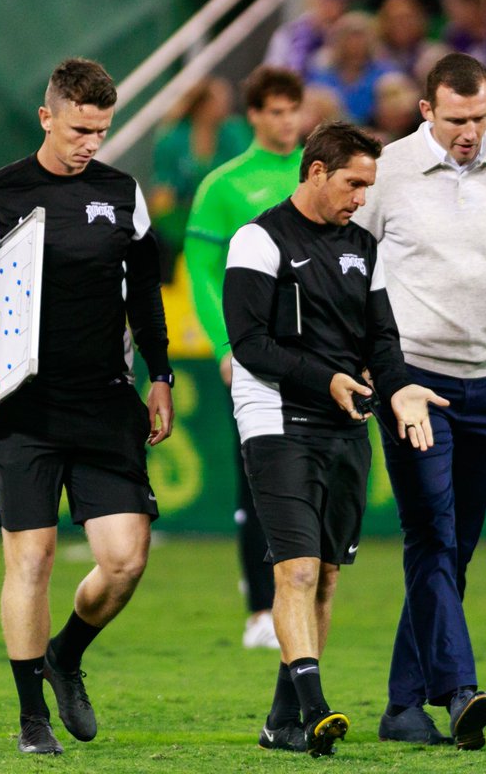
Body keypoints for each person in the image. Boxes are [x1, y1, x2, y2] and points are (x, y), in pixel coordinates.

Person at [0, 57, 174, 756]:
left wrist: (159, 376)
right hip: (23, 411)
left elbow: (144, 293)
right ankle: (31, 717)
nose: (90, 144)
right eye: (78, 130)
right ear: (47, 117)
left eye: (100, 131)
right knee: (31, 560)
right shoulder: (0, 193)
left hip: (104, 405)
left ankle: (66, 654)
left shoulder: (122, 193)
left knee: (125, 561)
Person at [223, 121, 448, 757]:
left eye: (369, 187)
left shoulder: (363, 247)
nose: (361, 198)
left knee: (323, 577)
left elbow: (382, 339)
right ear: (316, 171)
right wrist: (328, 379)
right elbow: (249, 346)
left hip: (345, 421)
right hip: (277, 418)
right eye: (354, 183)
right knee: (294, 568)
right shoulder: (258, 240)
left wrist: (399, 387)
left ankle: (280, 723)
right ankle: (317, 710)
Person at [353, 52, 486, 750]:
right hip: (414, 384)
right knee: (432, 533)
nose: (471, 131)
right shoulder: (387, 170)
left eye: (481, 116)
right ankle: (460, 688)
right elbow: (359, 272)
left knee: (455, 544)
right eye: (457, 119)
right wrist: (382, 370)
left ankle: (403, 707)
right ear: (426, 112)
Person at [184, 65, 305, 651]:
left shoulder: (320, 173)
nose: (287, 121)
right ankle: (260, 608)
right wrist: (226, 344)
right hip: (256, 352)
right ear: (254, 116)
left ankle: (300, 595)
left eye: (293, 109)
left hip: (315, 353)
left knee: (313, 481)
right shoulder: (225, 185)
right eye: (275, 111)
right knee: (257, 478)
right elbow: (202, 271)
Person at [149, 77, 250, 282]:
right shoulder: (172, 137)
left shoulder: (234, 132)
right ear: (202, 106)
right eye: (219, 101)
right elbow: (164, 184)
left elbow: (243, 174)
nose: (226, 105)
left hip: (223, 215)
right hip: (182, 215)